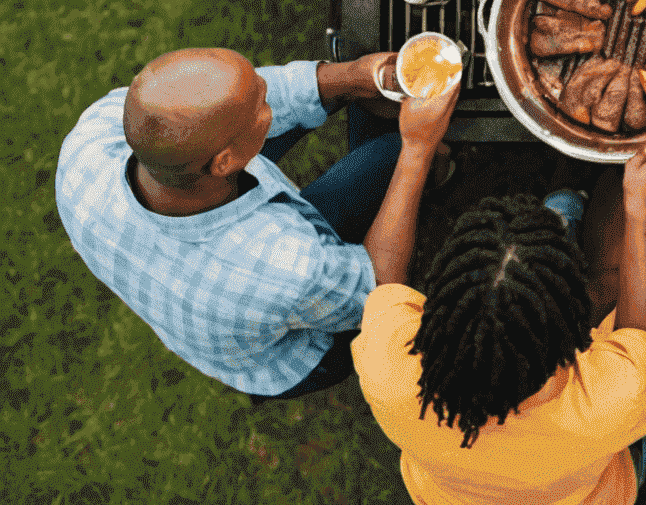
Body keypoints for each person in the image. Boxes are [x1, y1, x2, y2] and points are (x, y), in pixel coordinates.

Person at [55, 45, 458, 400]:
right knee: (388, 157)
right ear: (225, 162)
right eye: (260, 104)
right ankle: (438, 170)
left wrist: (354, 76)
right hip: (297, 355)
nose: (270, 96)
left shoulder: (91, 140)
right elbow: (380, 287)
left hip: (204, 301)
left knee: (348, 100)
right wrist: (417, 149)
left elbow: (255, 99)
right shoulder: (284, 268)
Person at [354, 138, 646, 505]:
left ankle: (564, 202)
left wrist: (415, 149)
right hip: (602, 489)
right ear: (571, 329)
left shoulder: (387, 373)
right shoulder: (612, 402)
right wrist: (639, 210)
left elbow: (380, 280)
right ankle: (573, 202)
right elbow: (641, 341)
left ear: (440, 297)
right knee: (611, 283)